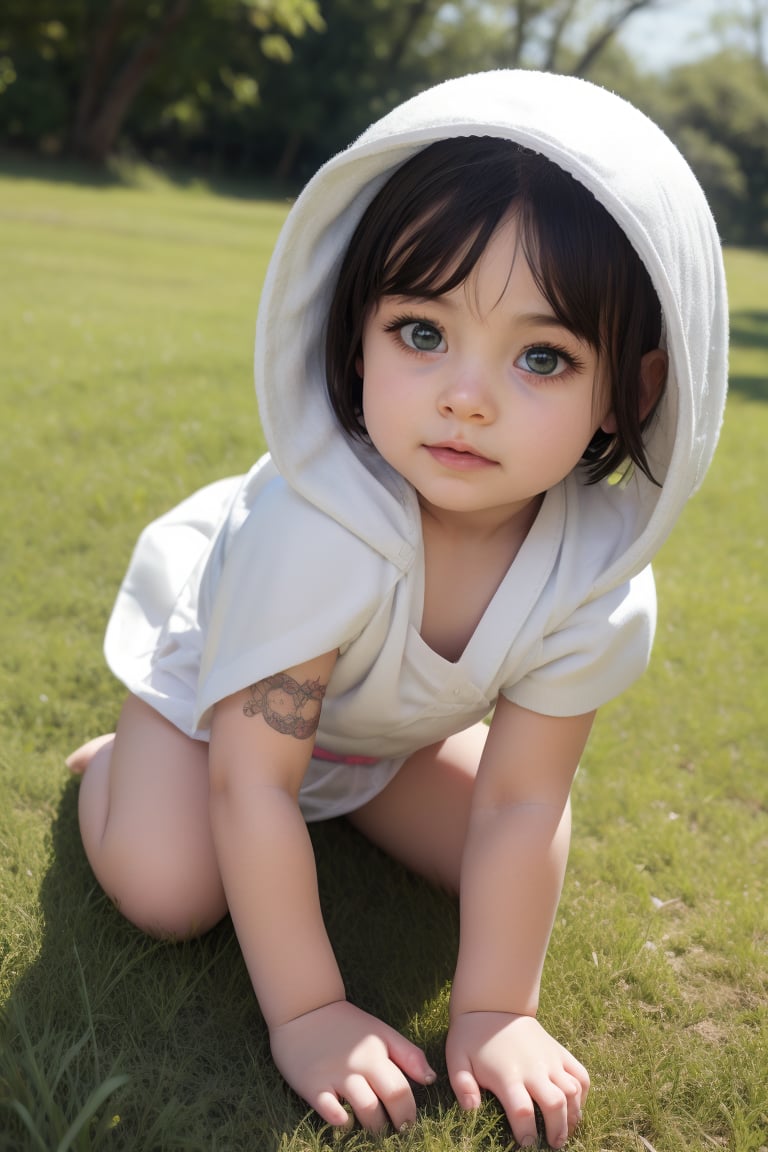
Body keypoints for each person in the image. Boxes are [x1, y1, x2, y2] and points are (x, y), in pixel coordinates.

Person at [68, 70, 728, 1150]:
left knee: (493, 853)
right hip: (220, 722)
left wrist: (496, 1009)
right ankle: (124, 763)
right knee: (170, 887)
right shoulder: (319, 528)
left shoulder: (595, 577)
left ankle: (343, 798)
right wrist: (312, 1012)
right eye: (423, 333)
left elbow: (524, 801)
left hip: (368, 741)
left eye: (542, 356)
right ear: (356, 330)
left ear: (634, 393)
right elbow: (254, 774)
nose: (467, 396)